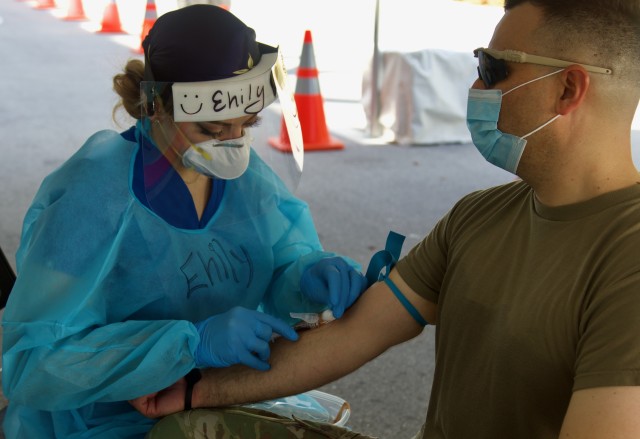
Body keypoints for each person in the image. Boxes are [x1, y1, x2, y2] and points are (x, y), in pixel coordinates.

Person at [131, 0, 640, 438]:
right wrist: (197, 390)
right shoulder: (479, 215)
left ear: (569, 89)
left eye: (492, 68)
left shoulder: (626, 262)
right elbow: (354, 334)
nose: (475, 85)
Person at [1, 5, 367, 438]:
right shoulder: (92, 199)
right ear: (157, 107)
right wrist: (188, 343)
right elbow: (32, 360)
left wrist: (307, 275)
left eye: (246, 124)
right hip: (100, 420)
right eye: (212, 131)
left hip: (212, 395)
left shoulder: (246, 180)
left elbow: (279, 259)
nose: (233, 145)